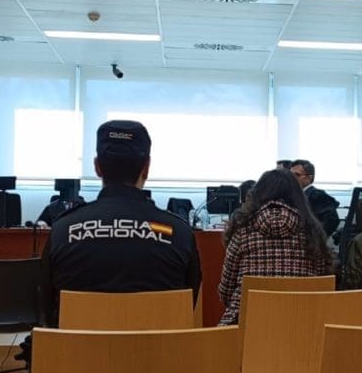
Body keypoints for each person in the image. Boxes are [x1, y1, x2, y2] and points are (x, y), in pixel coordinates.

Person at [39, 120, 203, 328]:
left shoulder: (62, 231)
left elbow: (46, 309)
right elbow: (189, 306)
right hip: (158, 349)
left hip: (77, 349)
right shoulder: (179, 234)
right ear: (147, 167)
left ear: (97, 167)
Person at [218, 168, 333, 325]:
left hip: (247, 325)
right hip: (303, 325)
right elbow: (322, 287)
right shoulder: (312, 232)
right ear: (298, 196)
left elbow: (226, 291)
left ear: (258, 194)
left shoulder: (242, 231)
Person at [290, 159, 340, 237]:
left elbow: (331, 221)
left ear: (309, 178)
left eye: (297, 175)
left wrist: (314, 238)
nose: (292, 178)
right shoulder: (293, 195)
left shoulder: (318, 196)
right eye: (290, 175)